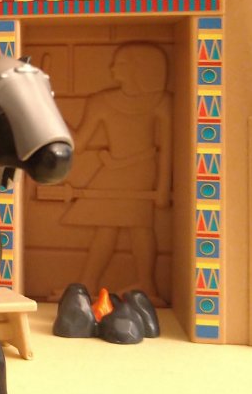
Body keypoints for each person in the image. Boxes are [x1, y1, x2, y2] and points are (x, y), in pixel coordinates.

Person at [60, 42, 172, 304]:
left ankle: (147, 285)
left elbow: (168, 149)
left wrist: (163, 187)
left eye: (120, 63)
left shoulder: (161, 102)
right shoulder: (101, 102)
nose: (112, 68)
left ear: (139, 69)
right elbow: (79, 143)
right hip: (111, 173)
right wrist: (51, 113)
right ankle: (88, 283)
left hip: (142, 173)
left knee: (140, 226)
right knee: (106, 227)